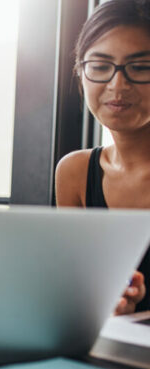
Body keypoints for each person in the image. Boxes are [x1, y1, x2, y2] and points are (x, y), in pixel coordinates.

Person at [55, 0, 150, 314]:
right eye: (99, 66)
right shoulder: (75, 172)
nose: (117, 85)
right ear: (80, 72)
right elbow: (73, 291)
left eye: (140, 67)